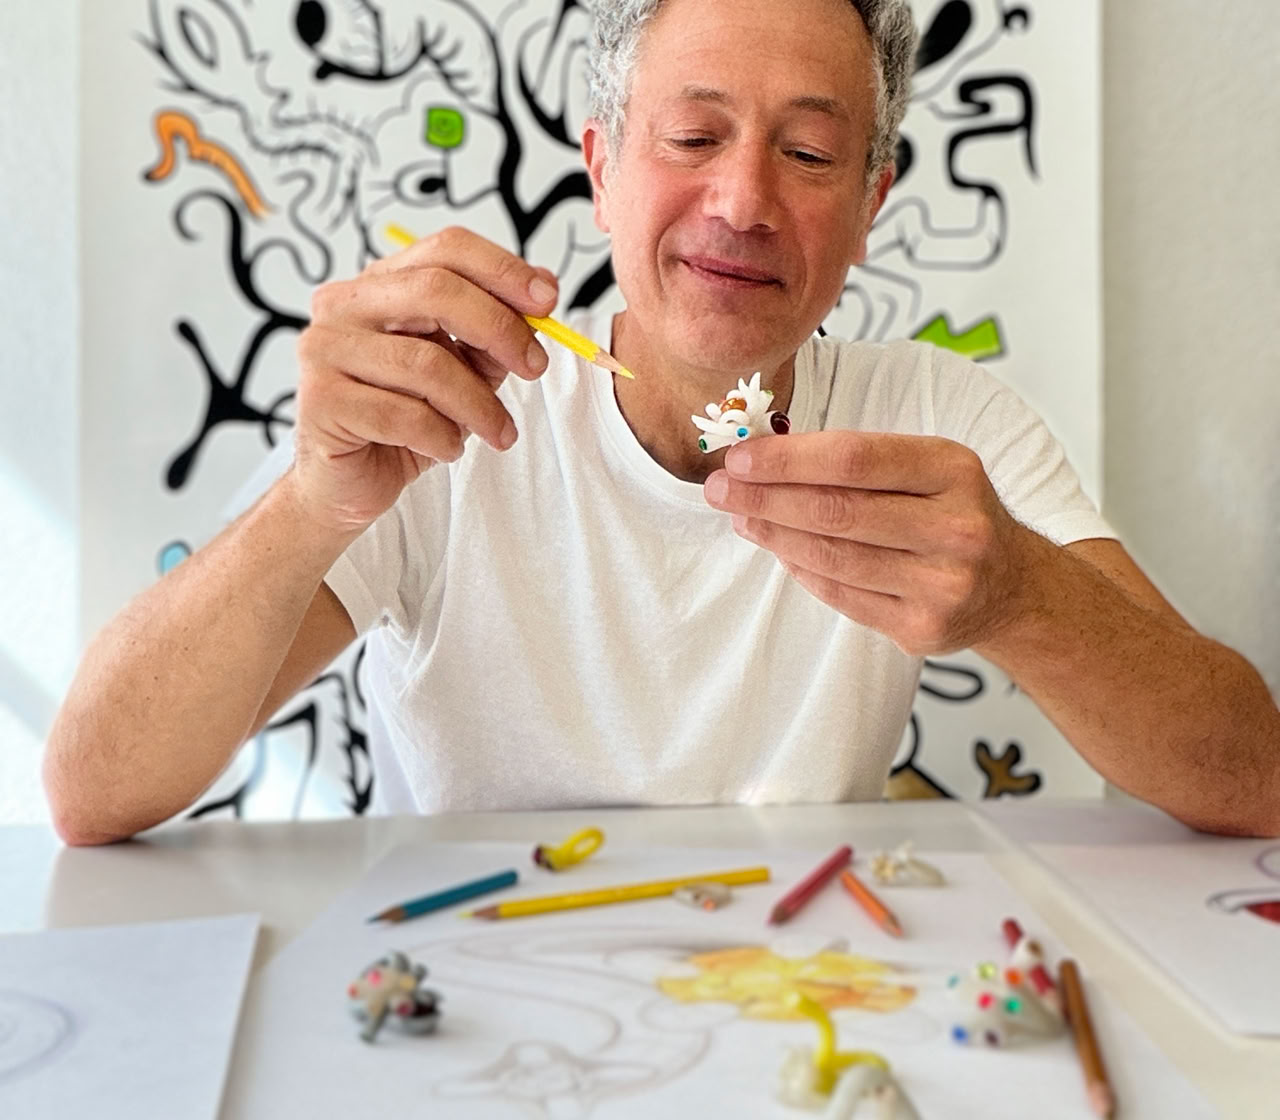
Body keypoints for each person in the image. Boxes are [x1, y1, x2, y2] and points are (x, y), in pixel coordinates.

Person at [44, 0, 1279, 845]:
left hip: (803, 987)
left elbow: (1247, 775)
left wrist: (1020, 595)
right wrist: (312, 504)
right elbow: (91, 794)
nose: (740, 202)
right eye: (692, 137)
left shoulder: (938, 421)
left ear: (869, 205)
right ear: (600, 168)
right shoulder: (444, 404)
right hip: (476, 991)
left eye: (806, 152)